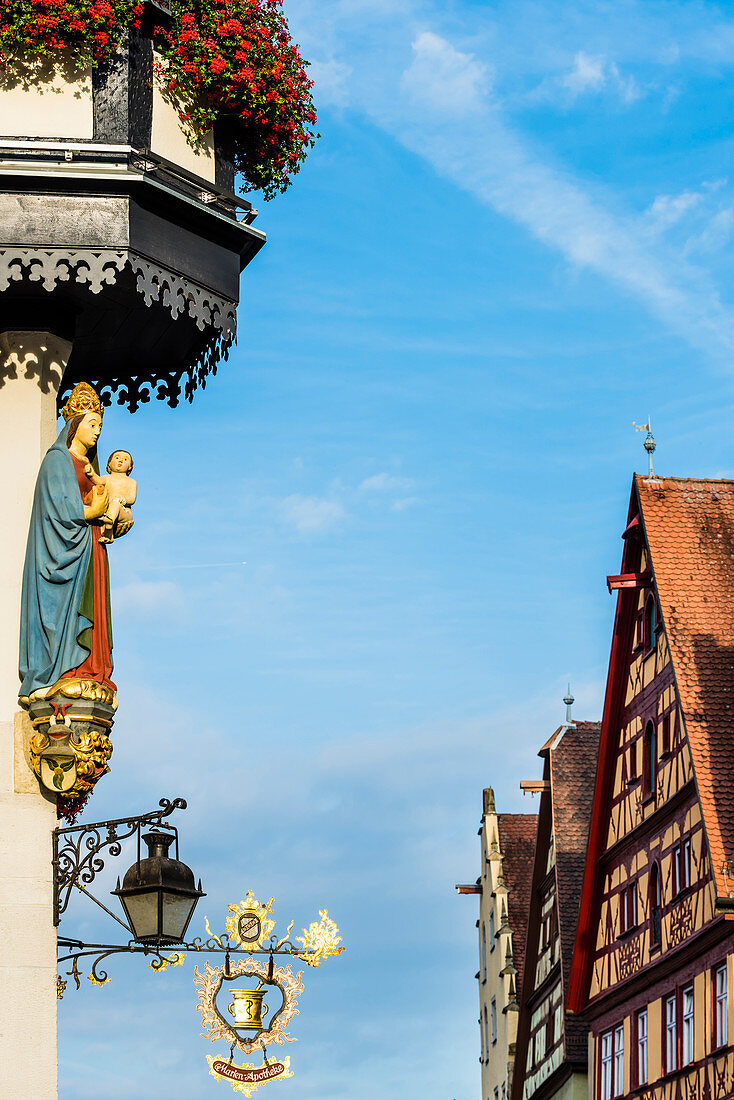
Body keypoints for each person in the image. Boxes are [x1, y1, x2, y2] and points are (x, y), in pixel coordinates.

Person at [19, 384, 117, 703]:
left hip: (91, 550)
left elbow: (99, 500)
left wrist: (114, 517)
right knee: (62, 613)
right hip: (65, 551)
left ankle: (92, 667)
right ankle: (59, 671)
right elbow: (62, 509)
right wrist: (95, 510)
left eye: (100, 426)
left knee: (93, 610)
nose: (97, 432)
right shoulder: (58, 460)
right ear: (75, 425)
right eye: (92, 424)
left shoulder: (91, 468)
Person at [84, 449, 137, 544]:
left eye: (125, 459)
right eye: (117, 458)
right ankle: (108, 528)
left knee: (115, 503)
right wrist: (91, 473)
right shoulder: (106, 478)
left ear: (130, 467)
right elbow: (97, 480)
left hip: (124, 513)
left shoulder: (131, 482)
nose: (120, 461)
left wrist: (123, 500)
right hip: (107, 509)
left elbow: (132, 498)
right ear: (109, 464)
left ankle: (108, 525)